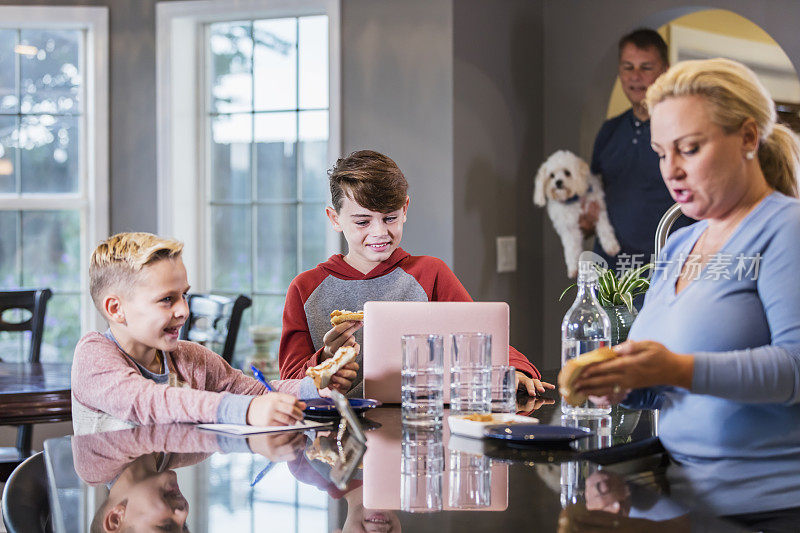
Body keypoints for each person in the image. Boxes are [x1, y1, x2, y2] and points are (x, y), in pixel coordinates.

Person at [573, 57, 800, 514]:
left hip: (762, 509)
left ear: (749, 138)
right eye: (661, 153)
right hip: (673, 493)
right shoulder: (680, 243)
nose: (670, 170)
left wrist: (676, 368)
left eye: (689, 148)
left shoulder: (786, 229)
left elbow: (795, 368)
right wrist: (624, 385)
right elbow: (662, 380)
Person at [279, 150, 550, 397]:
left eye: (390, 218)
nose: (379, 233)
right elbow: (289, 383)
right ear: (335, 219)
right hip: (333, 432)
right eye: (363, 221)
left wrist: (515, 368)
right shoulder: (305, 288)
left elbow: (480, 336)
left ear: (405, 209)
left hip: (418, 422)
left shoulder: (430, 273)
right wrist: (327, 356)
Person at [71, 232, 357, 435]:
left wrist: (315, 388)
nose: (184, 310)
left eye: (184, 295)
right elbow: (150, 401)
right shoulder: (94, 355)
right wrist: (246, 410)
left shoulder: (190, 357)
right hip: (117, 510)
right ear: (115, 309)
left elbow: (257, 391)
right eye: (166, 299)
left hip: (165, 494)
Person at [588, 28, 692, 274]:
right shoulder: (609, 130)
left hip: (668, 268)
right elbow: (594, 195)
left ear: (665, 70)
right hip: (611, 273)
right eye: (627, 67)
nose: (635, 76)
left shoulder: (684, 129)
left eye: (645, 67)